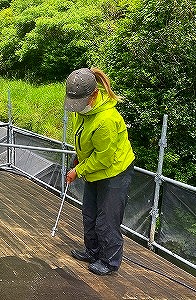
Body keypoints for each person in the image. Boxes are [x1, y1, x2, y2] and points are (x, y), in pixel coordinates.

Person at [64, 67, 135, 275]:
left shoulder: (106, 120)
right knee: (89, 211)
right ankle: (92, 251)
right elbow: (84, 139)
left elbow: (103, 158)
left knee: (107, 217)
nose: (76, 107)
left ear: (94, 95)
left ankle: (110, 261)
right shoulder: (83, 110)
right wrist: (78, 157)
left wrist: (78, 171)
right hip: (94, 168)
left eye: (80, 102)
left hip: (114, 171)